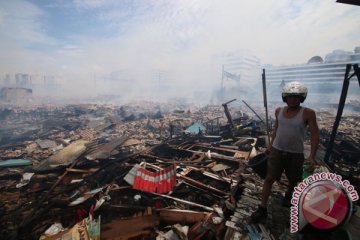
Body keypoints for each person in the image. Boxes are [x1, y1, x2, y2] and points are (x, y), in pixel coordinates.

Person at [251, 81, 319, 223]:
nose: (293, 99)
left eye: (296, 97)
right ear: (285, 97)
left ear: (301, 98)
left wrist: (312, 156)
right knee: (269, 178)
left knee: (293, 179)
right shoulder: (279, 111)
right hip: (277, 151)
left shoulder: (307, 113)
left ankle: (288, 194)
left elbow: (314, 134)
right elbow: (276, 128)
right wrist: (270, 145)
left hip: (295, 153)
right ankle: (262, 208)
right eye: (290, 96)